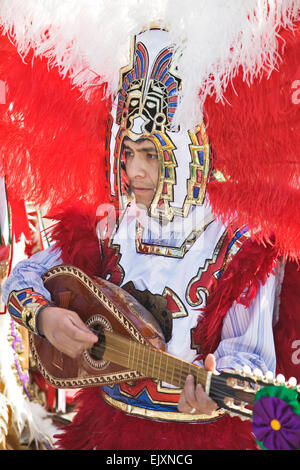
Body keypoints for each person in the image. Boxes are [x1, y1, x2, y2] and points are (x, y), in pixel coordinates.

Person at [2, 27, 283, 451]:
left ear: (188, 152)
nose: (135, 171)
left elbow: (252, 359)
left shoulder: (241, 246)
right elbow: (21, 278)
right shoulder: (108, 226)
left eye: (150, 154)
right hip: (108, 433)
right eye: (128, 151)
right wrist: (44, 318)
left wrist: (219, 390)